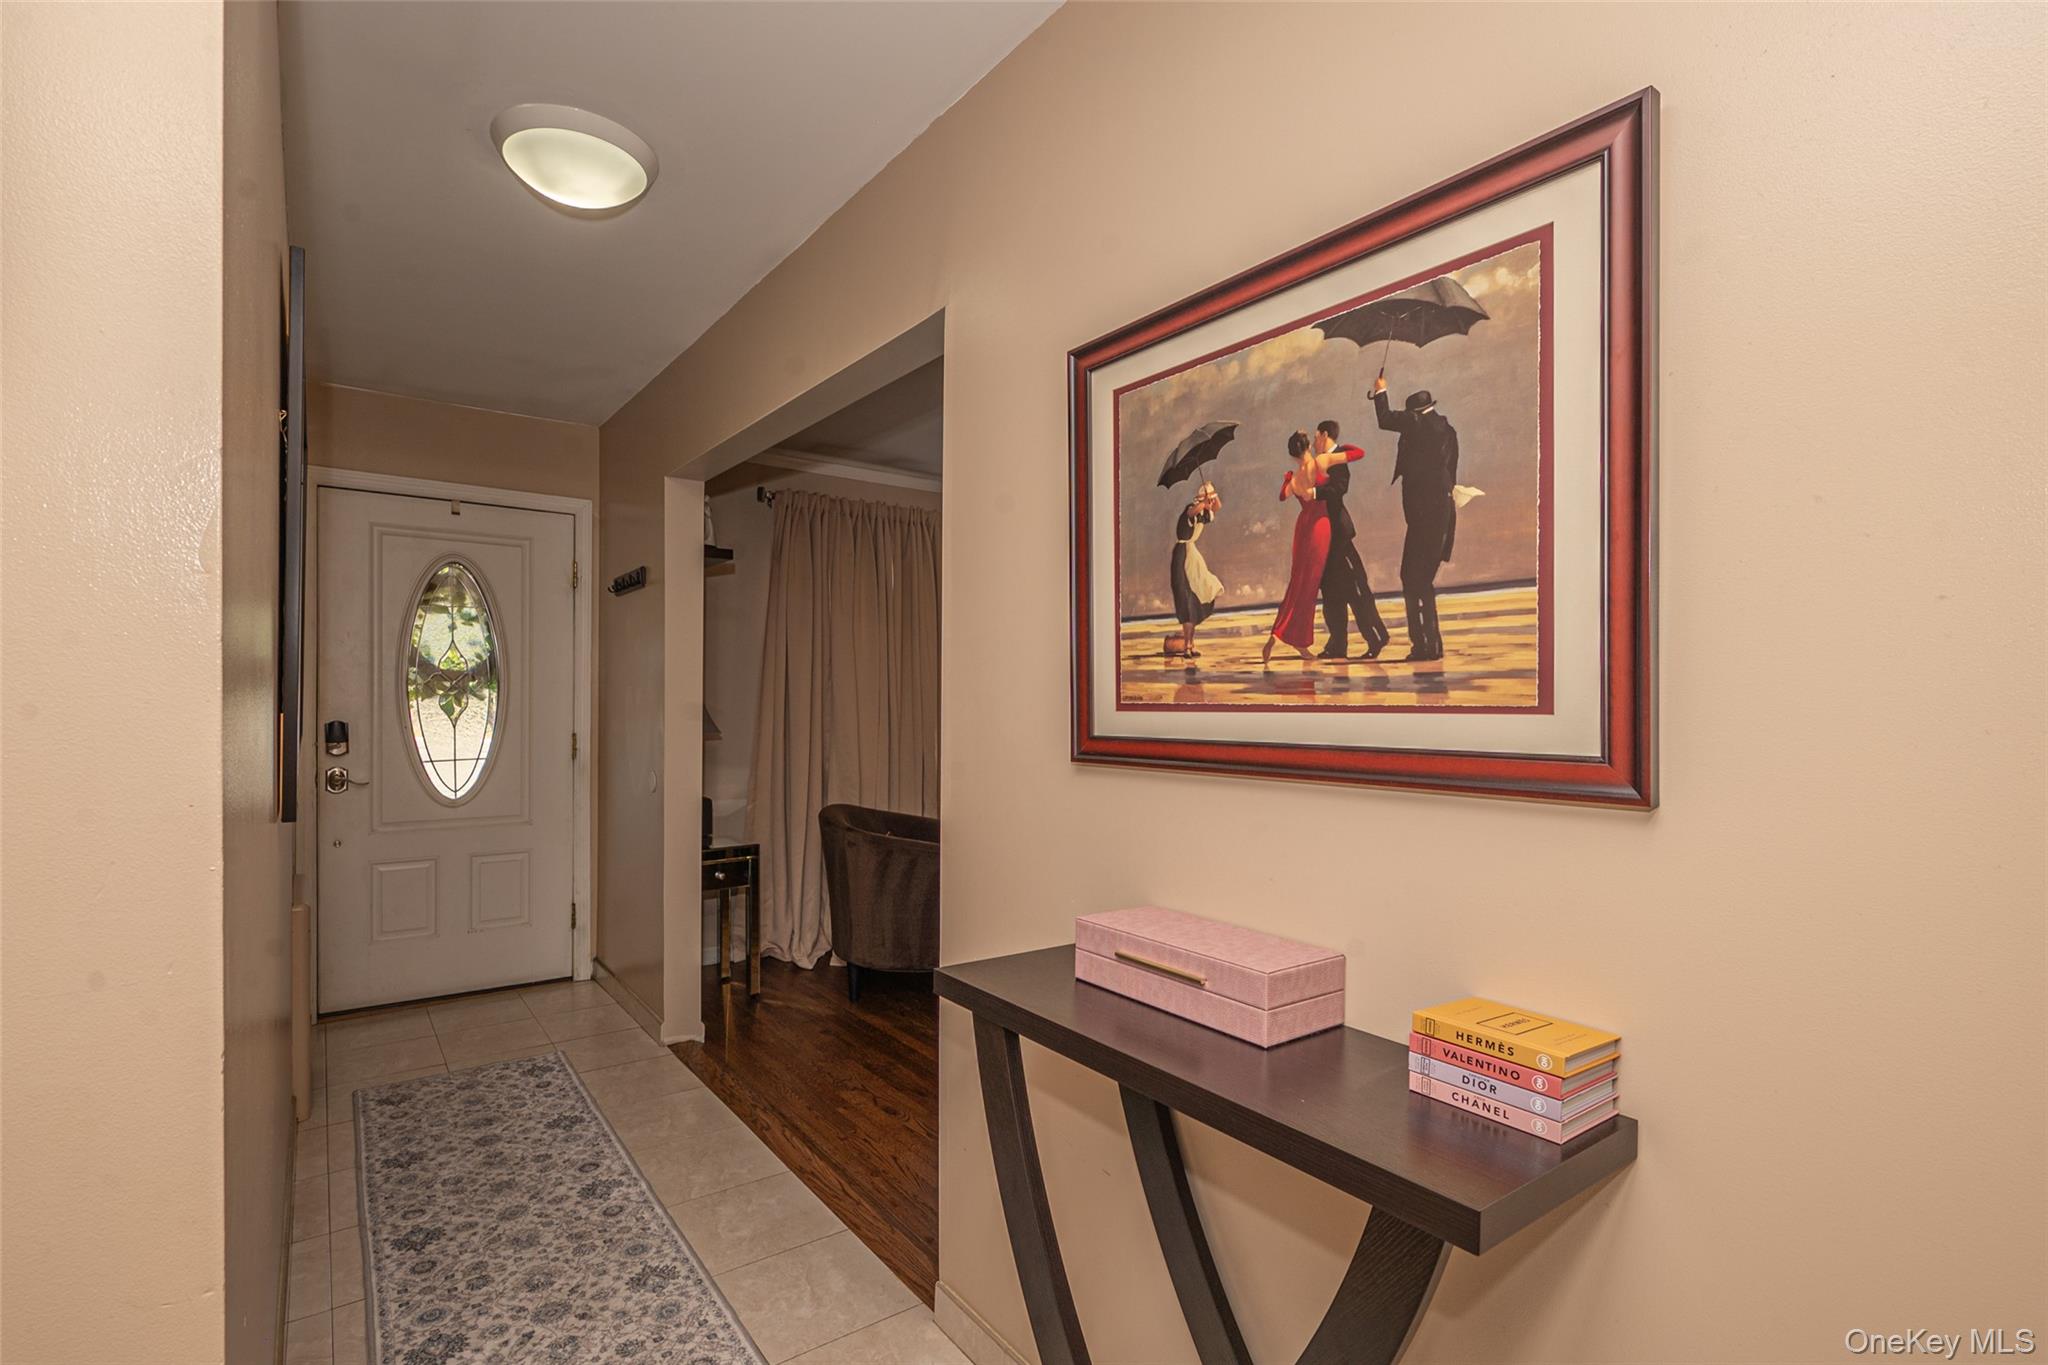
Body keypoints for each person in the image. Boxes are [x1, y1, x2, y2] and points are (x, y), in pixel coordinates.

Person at [1372, 378, 1460, 661]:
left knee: (1413, 579)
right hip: (1442, 513)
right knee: (1420, 580)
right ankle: (1430, 645)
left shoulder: (1418, 425)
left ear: (1415, 412)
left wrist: (1381, 389)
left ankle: (1424, 646)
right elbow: (1451, 473)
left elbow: (1385, 419)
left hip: (1424, 517)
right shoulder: (1448, 430)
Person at [1310, 420, 1388, 659]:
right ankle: (1337, 644)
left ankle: (1376, 637)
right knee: (1331, 592)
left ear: (1324, 435)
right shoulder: (1324, 459)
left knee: (1356, 588)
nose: (1314, 443)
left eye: (1316, 437)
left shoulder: (1338, 457)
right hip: (1326, 536)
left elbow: (1339, 489)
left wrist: (1314, 493)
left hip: (1339, 535)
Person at [1263, 431, 1335, 665]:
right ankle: (1299, 642)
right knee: (1308, 587)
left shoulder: (1294, 477)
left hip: (1302, 528)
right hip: (1319, 527)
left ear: (1292, 453)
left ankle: (1278, 633)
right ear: (1307, 447)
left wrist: (1288, 480)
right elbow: (1356, 454)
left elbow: (1283, 496)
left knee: (1298, 582)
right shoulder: (1318, 464)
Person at [1166, 480, 1223, 658]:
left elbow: (1217, 507)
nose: (1210, 504)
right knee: (1186, 601)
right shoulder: (1192, 509)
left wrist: (1212, 494)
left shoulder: (1204, 513)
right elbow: (1192, 511)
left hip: (1191, 556)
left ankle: (1190, 645)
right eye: (1207, 500)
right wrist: (1204, 502)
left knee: (1195, 601)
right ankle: (1187, 647)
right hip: (1182, 558)